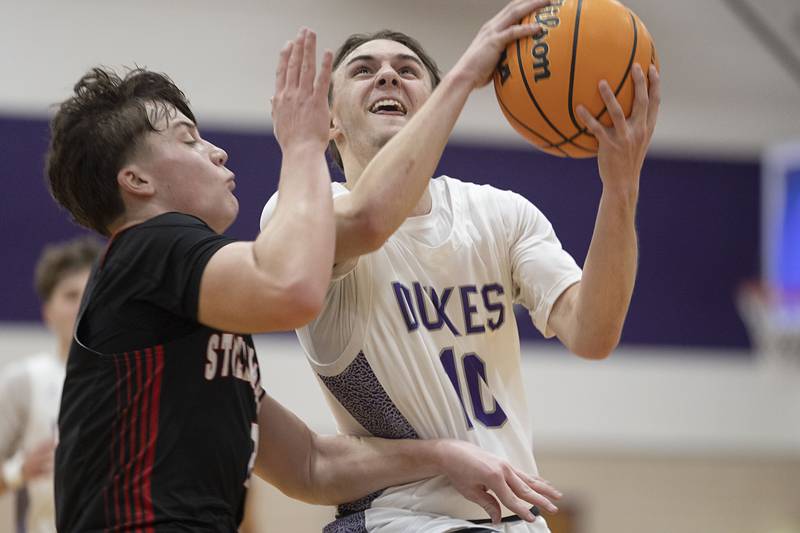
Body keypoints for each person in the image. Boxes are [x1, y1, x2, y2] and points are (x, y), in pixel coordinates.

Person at [45, 28, 559, 532]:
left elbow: (311, 465)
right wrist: (302, 146)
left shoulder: (186, 311)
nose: (217, 152)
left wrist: (444, 456)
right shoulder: (148, 246)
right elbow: (294, 288)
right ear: (137, 181)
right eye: (189, 140)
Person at [259, 1, 662, 531]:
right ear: (330, 120)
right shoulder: (301, 209)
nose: (387, 75)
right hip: (397, 516)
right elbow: (373, 219)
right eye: (364, 70)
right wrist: (470, 69)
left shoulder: (501, 213)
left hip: (514, 518)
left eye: (408, 71)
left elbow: (592, 333)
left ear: (432, 103)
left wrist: (621, 186)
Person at [0, 237, 101, 533]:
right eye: (71, 295)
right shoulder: (24, 381)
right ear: (48, 312)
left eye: (91, 293)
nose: (82, 305)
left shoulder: (130, 378)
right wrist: (18, 470)